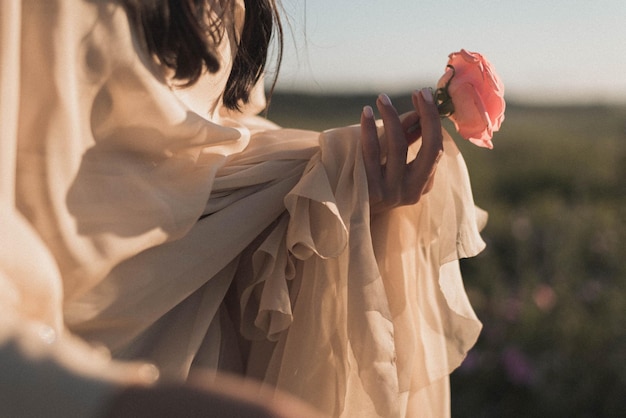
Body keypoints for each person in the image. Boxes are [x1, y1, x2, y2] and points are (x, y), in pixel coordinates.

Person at [0, 0, 486, 417]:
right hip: (70, 373)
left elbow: (213, 147)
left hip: (211, 349)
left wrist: (341, 189)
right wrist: (85, 395)